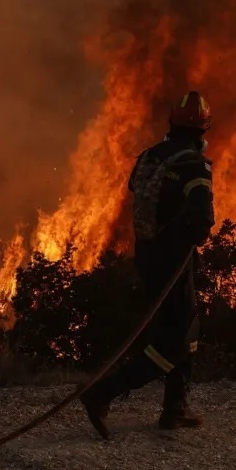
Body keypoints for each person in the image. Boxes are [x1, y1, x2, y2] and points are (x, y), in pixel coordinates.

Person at [80, 90, 216, 440]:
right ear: (203, 128)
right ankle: (103, 392)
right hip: (174, 263)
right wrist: (188, 236)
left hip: (147, 257)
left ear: (171, 121)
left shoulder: (150, 156)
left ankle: (175, 408)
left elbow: (132, 189)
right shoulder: (194, 165)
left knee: (184, 327)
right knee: (176, 338)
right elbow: (203, 220)